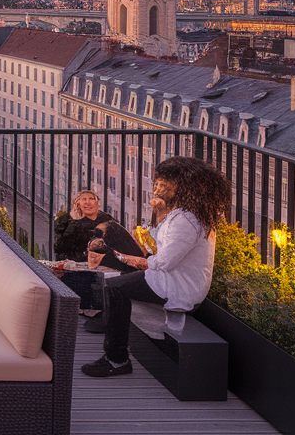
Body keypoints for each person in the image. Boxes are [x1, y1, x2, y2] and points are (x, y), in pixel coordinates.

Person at [80, 156, 231, 378]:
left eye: (165, 184)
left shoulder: (187, 221)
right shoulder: (182, 213)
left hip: (177, 286)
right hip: (167, 274)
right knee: (111, 232)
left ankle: (116, 359)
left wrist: (119, 257)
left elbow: (163, 263)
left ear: (183, 187)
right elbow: (154, 244)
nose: (158, 188)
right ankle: (111, 321)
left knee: (114, 288)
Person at [53, 190, 112, 262]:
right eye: (84, 199)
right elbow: (59, 248)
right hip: (72, 264)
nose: (88, 203)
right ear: (77, 204)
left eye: (91, 199)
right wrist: (74, 221)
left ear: (98, 204)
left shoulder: (107, 220)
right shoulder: (64, 220)